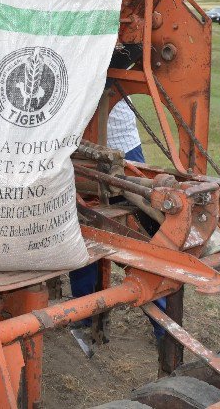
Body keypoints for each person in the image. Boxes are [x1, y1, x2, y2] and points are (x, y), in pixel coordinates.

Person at [68, 98, 166, 343]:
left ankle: (163, 326)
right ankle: (85, 319)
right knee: (86, 230)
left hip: (111, 149)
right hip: (86, 147)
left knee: (136, 237)